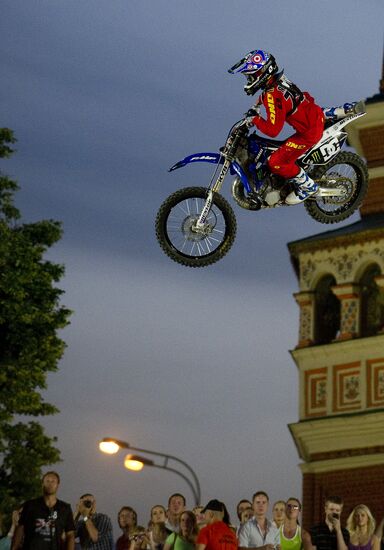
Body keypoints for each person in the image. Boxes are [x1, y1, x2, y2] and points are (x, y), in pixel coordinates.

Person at [228, 49, 324, 205]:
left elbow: (273, 131)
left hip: (308, 132)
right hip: (312, 116)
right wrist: (258, 104)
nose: (249, 80)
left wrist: (256, 120)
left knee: (276, 163)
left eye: (252, 76)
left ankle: (307, 187)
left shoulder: (273, 95)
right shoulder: (277, 82)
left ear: (264, 73)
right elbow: (270, 97)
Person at [11, 471, 75, 550]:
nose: (50, 484)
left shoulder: (65, 508)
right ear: (42, 484)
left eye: (53, 481)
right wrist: (14, 547)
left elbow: (70, 534)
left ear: (58, 485)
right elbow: (20, 528)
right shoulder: (30, 505)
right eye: (47, 481)